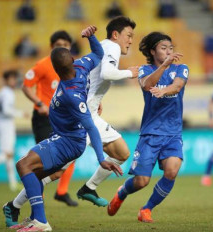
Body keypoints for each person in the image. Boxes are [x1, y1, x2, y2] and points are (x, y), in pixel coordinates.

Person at [11, 26, 123, 232]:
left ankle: (41, 222)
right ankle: (32, 217)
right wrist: (91, 37)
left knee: (24, 166)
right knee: (32, 170)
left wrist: (101, 157)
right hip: (63, 136)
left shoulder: (73, 95)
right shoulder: (80, 65)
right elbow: (98, 54)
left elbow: (90, 126)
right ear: (72, 59)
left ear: (54, 69)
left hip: (68, 140)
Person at [107, 31, 188, 223]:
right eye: (163, 48)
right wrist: (164, 66)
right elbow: (146, 85)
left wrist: (164, 90)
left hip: (173, 133)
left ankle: (146, 209)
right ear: (152, 51)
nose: (168, 51)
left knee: (172, 170)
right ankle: (122, 192)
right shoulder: (144, 70)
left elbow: (177, 87)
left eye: (170, 48)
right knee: (142, 181)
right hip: (150, 134)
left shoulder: (182, 68)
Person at [76, 16, 138, 206]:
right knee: (56, 169)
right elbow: (107, 73)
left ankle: (89, 188)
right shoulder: (112, 47)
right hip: (82, 116)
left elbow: (92, 76)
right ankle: (16, 204)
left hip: (90, 112)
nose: (130, 40)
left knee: (121, 152)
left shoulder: (103, 46)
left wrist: (95, 99)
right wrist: (130, 73)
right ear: (115, 34)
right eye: (128, 35)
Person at [21, 30, 78, 207]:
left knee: (71, 155)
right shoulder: (42, 65)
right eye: (59, 45)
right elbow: (26, 86)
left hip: (64, 117)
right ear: (52, 47)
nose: (63, 48)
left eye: (66, 45)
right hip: (44, 117)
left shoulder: (73, 66)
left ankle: (61, 192)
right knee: (44, 159)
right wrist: (39, 104)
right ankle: (38, 200)